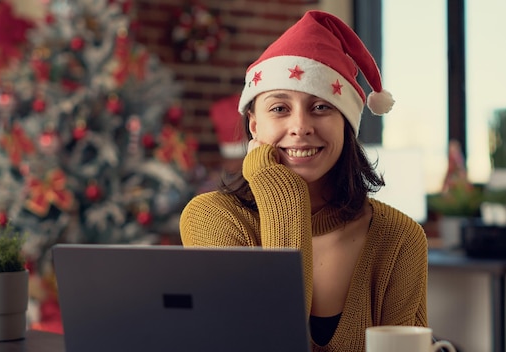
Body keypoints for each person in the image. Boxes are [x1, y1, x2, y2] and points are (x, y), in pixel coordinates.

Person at [179, 10, 428, 352]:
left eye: (322, 107)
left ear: (347, 123)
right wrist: (284, 196)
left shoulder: (399, 238)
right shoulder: (212, 219)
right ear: (254, 126)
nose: (300, 127)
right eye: (280, 109)